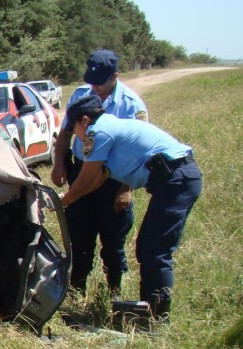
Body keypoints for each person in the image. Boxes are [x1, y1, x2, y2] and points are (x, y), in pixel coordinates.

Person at [59, 95, 202, 321]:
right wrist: (66, 198)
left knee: (155, 251)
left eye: (74, 129)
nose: (76, 135)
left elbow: (85, 181)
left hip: (175, 181)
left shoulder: (99, 133)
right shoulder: (110, 128)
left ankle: (156, 319)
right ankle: (148, 309)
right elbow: (98, 179)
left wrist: (64, 201)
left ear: (84, 120)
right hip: (174, 180)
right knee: (146, 247)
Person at [51, 50, 148, 295]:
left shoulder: (131, 105)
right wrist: (59, 163)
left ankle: (114, 290)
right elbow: (65, 133)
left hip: (114, 178)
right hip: (81, 170)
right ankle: (76, 289)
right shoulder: (80, 95)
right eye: (91, 81)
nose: (95, 87)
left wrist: (125, 189)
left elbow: (137, 152)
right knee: (79, 234)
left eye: (100, 82)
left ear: (115, 76)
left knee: (113, 238)